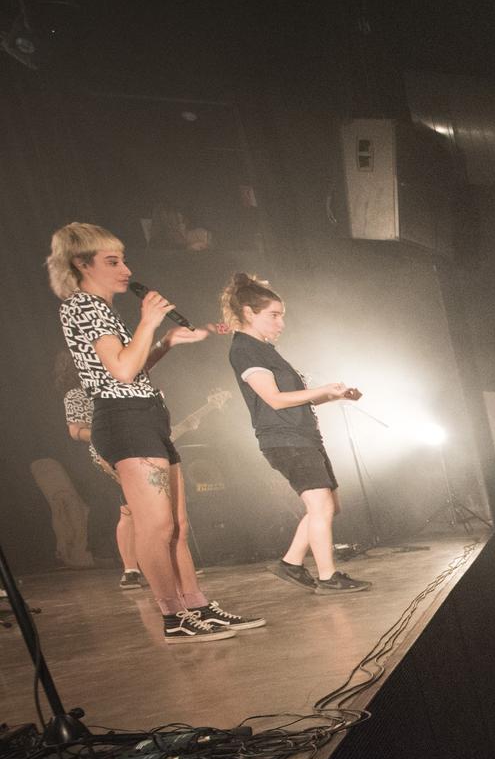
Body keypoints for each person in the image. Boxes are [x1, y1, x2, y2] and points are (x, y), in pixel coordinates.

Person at [49, 221, 255, 642]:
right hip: (123, 419)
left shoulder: (101, 309)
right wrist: (148, 320)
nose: (125, 268)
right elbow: (122, 372)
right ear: (81, 264)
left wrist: (166, 342)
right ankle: (172, 615)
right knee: (156, 525)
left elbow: (133, 367)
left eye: (124, 258)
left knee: (177, 524)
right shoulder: (83, 306)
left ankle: (196, 604)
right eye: (112, 261)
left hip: (144, 413)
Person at [217, 273, 371, 597]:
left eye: (281, 315)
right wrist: (322, 389)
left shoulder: (265, 350)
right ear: (248, 312)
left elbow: (293, 397)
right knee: (321, 506)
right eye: (273, 315)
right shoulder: (245, 349)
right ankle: (328, 578)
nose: (281, 323)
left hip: (302, 437)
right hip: (284, 439)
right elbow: (273, 399)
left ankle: (290, 562)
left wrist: (335, 395)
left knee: (329, 505)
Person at [59, 356, 139, 588]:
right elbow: (75, 431)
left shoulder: (115, 385)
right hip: (109, 453)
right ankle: (132, 569)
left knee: (131, 509)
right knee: (130, 509)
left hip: (135, 446)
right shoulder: (76, 394)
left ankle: (135, 569)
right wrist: (103, 432)